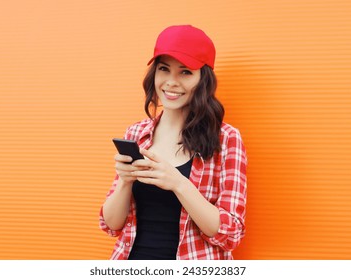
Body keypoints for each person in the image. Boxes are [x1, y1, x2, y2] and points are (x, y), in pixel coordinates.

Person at [99, 25, 247, 260]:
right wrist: (125, 182)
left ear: (203, 79)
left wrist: (179, 183)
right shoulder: (136, 133)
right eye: (164, 69)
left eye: (185, 72)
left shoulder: (226, 139)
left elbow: (230, 234)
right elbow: (111, 225)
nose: (171, 82)